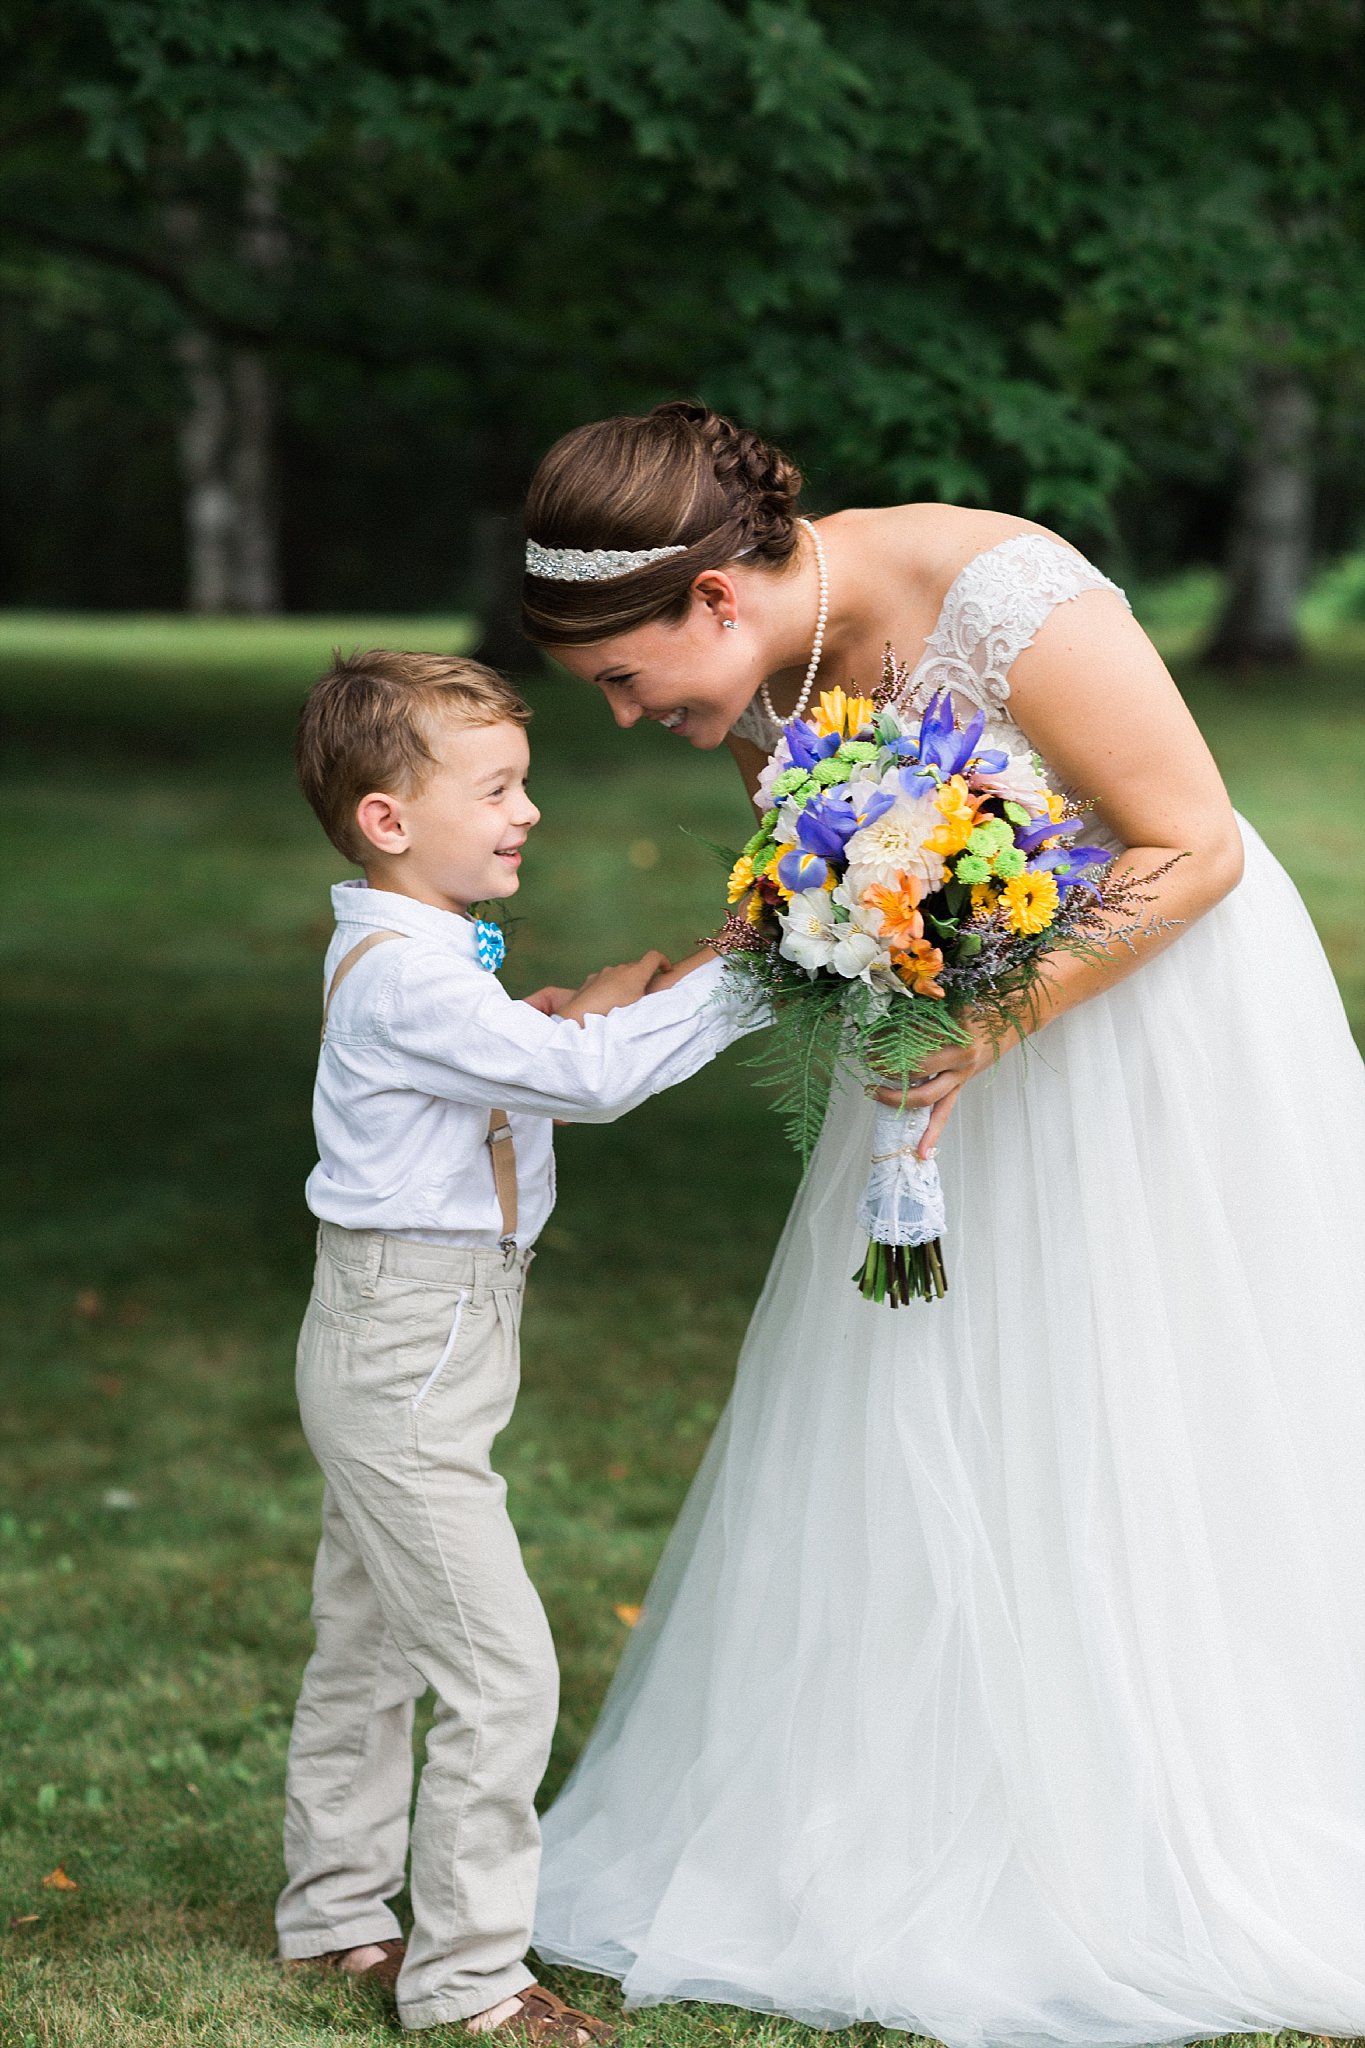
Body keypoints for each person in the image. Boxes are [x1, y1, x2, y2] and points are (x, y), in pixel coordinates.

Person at [519, 402, 1365, 2048]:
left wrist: (982, 1027)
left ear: (709, 598)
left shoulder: (1005, 595)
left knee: (1146, 1394)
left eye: (625, 680)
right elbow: (793, 904)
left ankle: (1170, 1799)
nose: (627, 716)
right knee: (929, 1398)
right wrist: (631, 992)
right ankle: (927, 1799)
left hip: (1141, 1038)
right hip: (941, 1052)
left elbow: (1188, 850)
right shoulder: (773, 671)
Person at [274, 649, 762, 2038]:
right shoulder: (403, 979)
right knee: (501, 1673)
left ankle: (331, 1915)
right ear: (387, 822)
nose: (528, 810)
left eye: (525, 784)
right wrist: (738, 987)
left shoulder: (425, 963)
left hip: (420, 1327)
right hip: (403, 1344)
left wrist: (566, 1015)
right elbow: (589, 1088)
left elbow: (516, 1068)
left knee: (369, 1640)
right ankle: (470, 1979)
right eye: (495, 788)